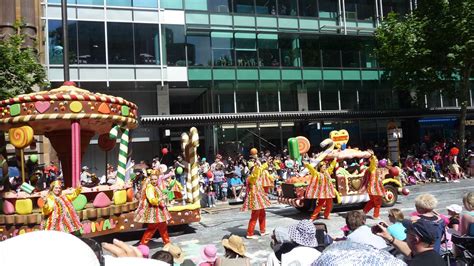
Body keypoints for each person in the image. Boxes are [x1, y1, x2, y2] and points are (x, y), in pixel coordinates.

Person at [376, 219, 446, 266]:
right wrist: (389, 238)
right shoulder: (435, 257)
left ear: (415, 239)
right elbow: (409, 253)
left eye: (406, 231)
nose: (405, 234)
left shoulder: (416, 263)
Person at [134, 174, 171, 246]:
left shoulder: (156, 187)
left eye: (155, 179)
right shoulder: (150, 188)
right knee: (152, 228)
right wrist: (161, 198)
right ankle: (142, 244)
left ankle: (167, 243)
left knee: (163, 227)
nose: (154, 181)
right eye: (152, 179)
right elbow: (152, 200)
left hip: (159, 210)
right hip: (153, 211)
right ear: (150, 180)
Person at [242, 160, 271, 239]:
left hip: (260, 198)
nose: (257, 168)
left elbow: (260, 170)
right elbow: (255, 174)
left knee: (262, 214)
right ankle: (249, 234)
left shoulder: (256, 174)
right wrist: (258, 166)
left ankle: (263, 231)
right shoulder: (251, 177)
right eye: (254, 167)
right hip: (255, 199)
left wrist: (265, 164)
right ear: (252, 169)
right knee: (254, 216)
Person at [363, 154, 385, 219]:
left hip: (370, 189)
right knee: (377, 203)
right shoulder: (375, 170)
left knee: (372, 202)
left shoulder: (368, 170)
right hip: (376, 190)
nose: (377, 162)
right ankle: (376, 216)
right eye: (376, 161)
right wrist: (383, 190)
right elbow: (379, 182)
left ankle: (363, 212)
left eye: (377, 161)